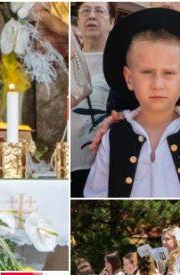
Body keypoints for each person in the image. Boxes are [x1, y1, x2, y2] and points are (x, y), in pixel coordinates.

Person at [83, 8, 180, 198]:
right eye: (146, 72)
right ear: (129, 77)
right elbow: (95, 194)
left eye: (168, 73)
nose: (157, 84)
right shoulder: (114, 137)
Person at [70, 2, 114, 198]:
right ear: (77, 21)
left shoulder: (123, 62)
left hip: (110, 160)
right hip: (73, 160)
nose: (92, 16)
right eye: (85, 11)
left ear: (112, 22)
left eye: (99, 10)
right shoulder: (67, 60)